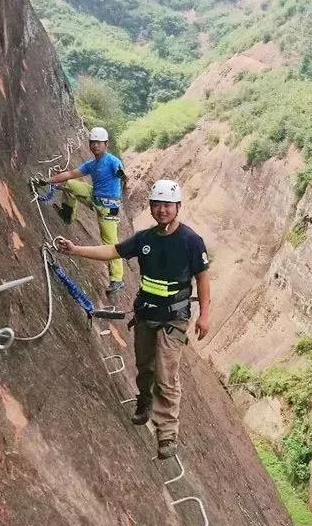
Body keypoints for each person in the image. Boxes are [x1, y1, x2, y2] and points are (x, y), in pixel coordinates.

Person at [57, 179, 211, 459]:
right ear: (151, 207)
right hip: (145, 315)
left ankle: (166, 431)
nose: (162, 210)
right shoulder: (145, 239)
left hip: (174, 319)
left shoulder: (191, 241)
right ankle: (144, 401)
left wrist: (205, 316)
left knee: (166, 375)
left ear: (177, 207)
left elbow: (202, 277)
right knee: (144, 367)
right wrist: (74, 249)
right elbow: (113, 251)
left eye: (167, 205)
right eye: (157, 205)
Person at [41, 126, 126, 295]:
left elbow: (121, 174)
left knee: (110, 243)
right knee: (70, 184)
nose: (95, 146)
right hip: (94, 198)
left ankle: (117, 279)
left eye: (98, 143)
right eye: (92, 142)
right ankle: (68, 214)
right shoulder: (91, 165)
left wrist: (121, 176)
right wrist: (47, 181)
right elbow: (71, 174)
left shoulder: (112, 162)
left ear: (106, 144)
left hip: (108, 209)